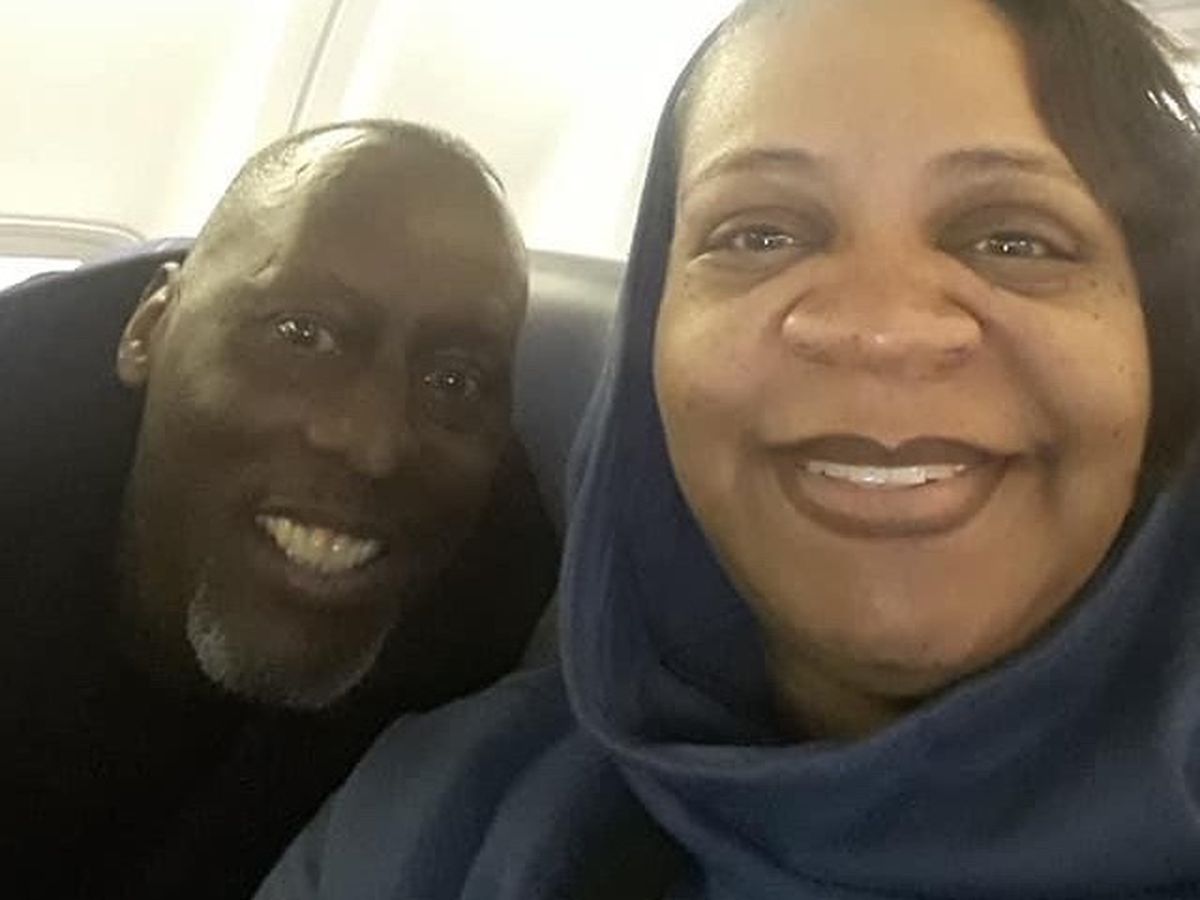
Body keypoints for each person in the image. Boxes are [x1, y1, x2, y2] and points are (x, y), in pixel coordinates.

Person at [256, 1, 1200, 897]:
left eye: (1014, 240)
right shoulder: (438, 824)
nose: (877, 329)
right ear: (648, 349)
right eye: (760, 233)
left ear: (1165, 346)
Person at [0, 120, 558, 898]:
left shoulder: (484, 626)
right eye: (303, 334)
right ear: (150, 327)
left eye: (454, 380)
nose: (374, 445)